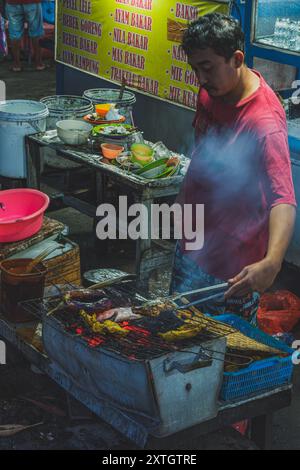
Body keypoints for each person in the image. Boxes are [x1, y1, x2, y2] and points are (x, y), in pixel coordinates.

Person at [170, 14, 296, 325]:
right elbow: (201, 152)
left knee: (222, 353)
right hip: (192, 239)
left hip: (233, 267)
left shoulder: (264, 123)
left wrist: (272, 262)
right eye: (195, 68)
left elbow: (284, 199)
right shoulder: (211, 91)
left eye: (207, 67)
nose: (200, 77)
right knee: (173, 332)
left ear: (237, 58)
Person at [6, 0, 45, 71]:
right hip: (32, 2)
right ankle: (39, 64)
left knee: (15, 34)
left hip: (12, 3)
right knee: (36, 32)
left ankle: (16, 65)